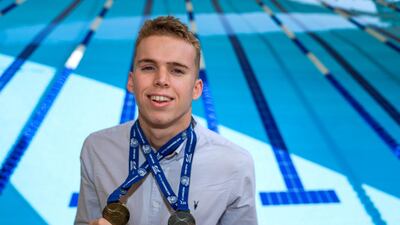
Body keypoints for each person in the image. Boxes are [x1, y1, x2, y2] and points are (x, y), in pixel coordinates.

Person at [74, 16, 258, 225]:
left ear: (196, 89)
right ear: (131, 82)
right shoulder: (97, 149)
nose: (161, 80)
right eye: (149, 67)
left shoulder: (234, 164)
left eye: (177, 70)